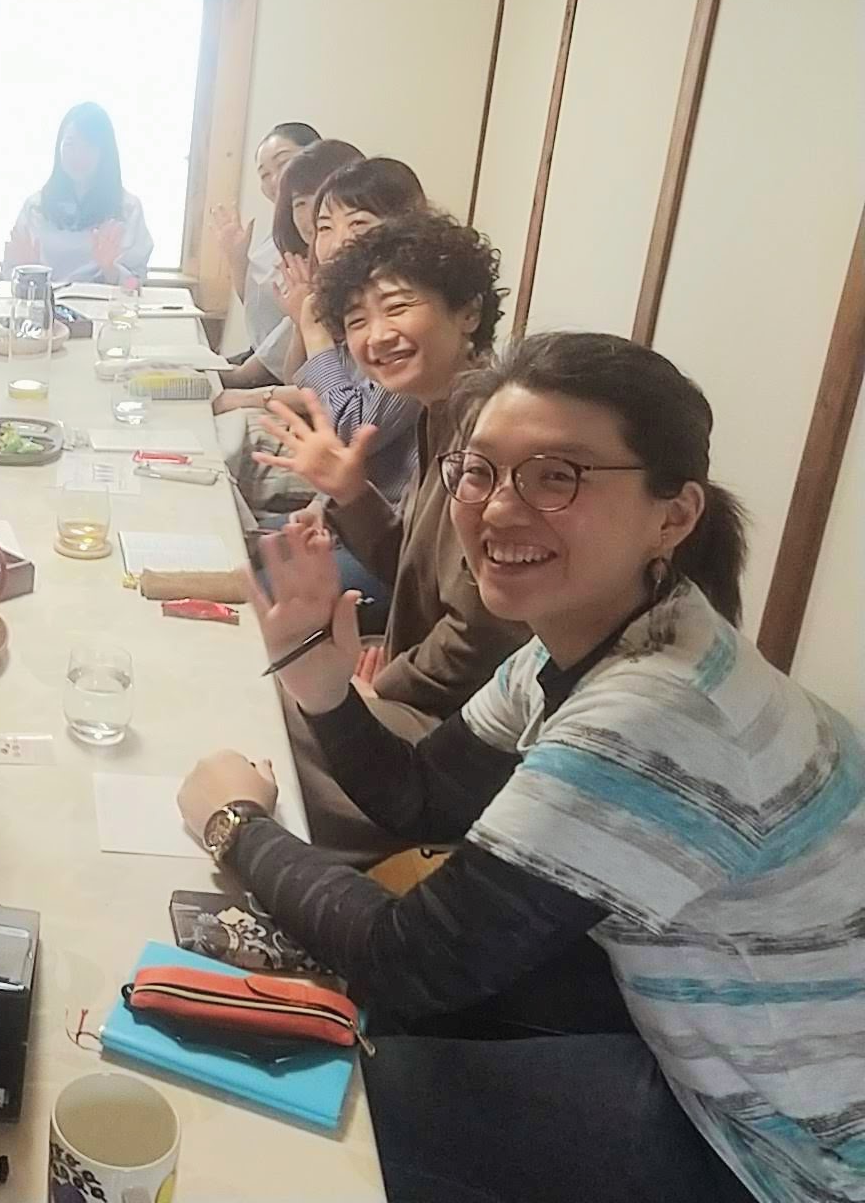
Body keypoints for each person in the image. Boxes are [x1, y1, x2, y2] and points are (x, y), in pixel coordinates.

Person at [179, 332, 863, 1203]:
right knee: (317, 1018)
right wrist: (323, 686)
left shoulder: (658, 711)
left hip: (774, 1148)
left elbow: (405, 960)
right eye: (480, 471)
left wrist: (234, 823)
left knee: (313, 1102)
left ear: (674, 513)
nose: (499, 508)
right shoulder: (599, 633)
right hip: (668, 1021)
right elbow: (422, 796)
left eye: (556, 476)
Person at [252, 214, 531, 863]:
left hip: (472, 731)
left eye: (398, 307)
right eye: (356, 319)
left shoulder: (492, 435)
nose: (376, 335)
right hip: (435, 686)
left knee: (269, 714)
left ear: (468, 312)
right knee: (265, 674)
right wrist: (351, 494)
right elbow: (417, 570)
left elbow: (491, 629)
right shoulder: (446, 411)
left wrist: (386, 684)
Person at [217, 157, 430, 509]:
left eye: (358, 224)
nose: (337, 243)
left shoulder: (409, 316)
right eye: (325, 227)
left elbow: (350, 430)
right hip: (348, 499)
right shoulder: (353, 298)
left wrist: (313, 332)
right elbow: (304, 382)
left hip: (384, 512)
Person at [213, 138, 362, 390]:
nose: (275, 179)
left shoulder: (371, 285)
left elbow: (347, 406)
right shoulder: (291, 248)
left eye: (282, 162)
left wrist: (254, 396)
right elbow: (293, 378)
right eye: (299, 203)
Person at [209, 121, 320, 364]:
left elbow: (293, 332)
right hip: (261, 358)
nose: (275, 179)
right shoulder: (279, 232)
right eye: (264, 174)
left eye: (283, 163)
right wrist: (237, 258)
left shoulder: (321, 236)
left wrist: (237, 378)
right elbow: (259, 309)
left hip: (287, 370)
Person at [5, 102, 152, 284]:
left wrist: (111, 270)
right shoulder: (36, 207)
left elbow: (136, 283)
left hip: (104, 302)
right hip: (46, 301)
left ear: (105, 152)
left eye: (88, 146)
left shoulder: (127, 209)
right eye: (70, 145)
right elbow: (9, 273)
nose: (78, 155)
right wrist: (28, 272)